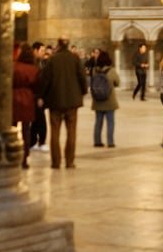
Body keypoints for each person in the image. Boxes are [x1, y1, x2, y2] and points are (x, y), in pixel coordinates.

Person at [37, 37, 86, 168]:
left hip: (55, 100)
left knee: (55, 132)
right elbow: (82, 76)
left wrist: (41, 96)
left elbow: (45, 79)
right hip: (72, 101)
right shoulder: (75, 58)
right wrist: (82, 92)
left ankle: (56, 162)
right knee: (71, 132)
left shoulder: (52, 59)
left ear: (58, 45)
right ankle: (69, 161)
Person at [12, 45, 40, 168]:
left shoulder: (14, 66)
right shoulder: (33, 69)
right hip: (27, 98)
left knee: (12, 128)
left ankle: (11, 154)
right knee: (26, 130)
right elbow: (37, 86)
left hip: (13, 97)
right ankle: (24, 158)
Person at [90, 49, 120, 147]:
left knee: (98, 122)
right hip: (109, 100)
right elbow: (117, 83)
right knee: (110, 122)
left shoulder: (94, 70)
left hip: (97, 100)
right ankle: (110, 142)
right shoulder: (111, 70)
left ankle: (97, 141)